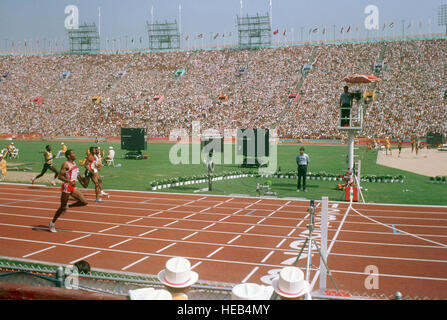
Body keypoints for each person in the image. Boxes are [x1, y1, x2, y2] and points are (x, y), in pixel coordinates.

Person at [49, 149, 88, 233]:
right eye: (73, 153)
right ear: (69, 156)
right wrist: (69, 181)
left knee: (84, 202)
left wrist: (85, 177)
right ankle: (52, 223)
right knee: (62, 207)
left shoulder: (74, 163)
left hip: (73, 187)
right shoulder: (66, 164)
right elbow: (60, 176)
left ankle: (68, 206)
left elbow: (77, 174)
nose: (75, 154)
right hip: (67, 186)